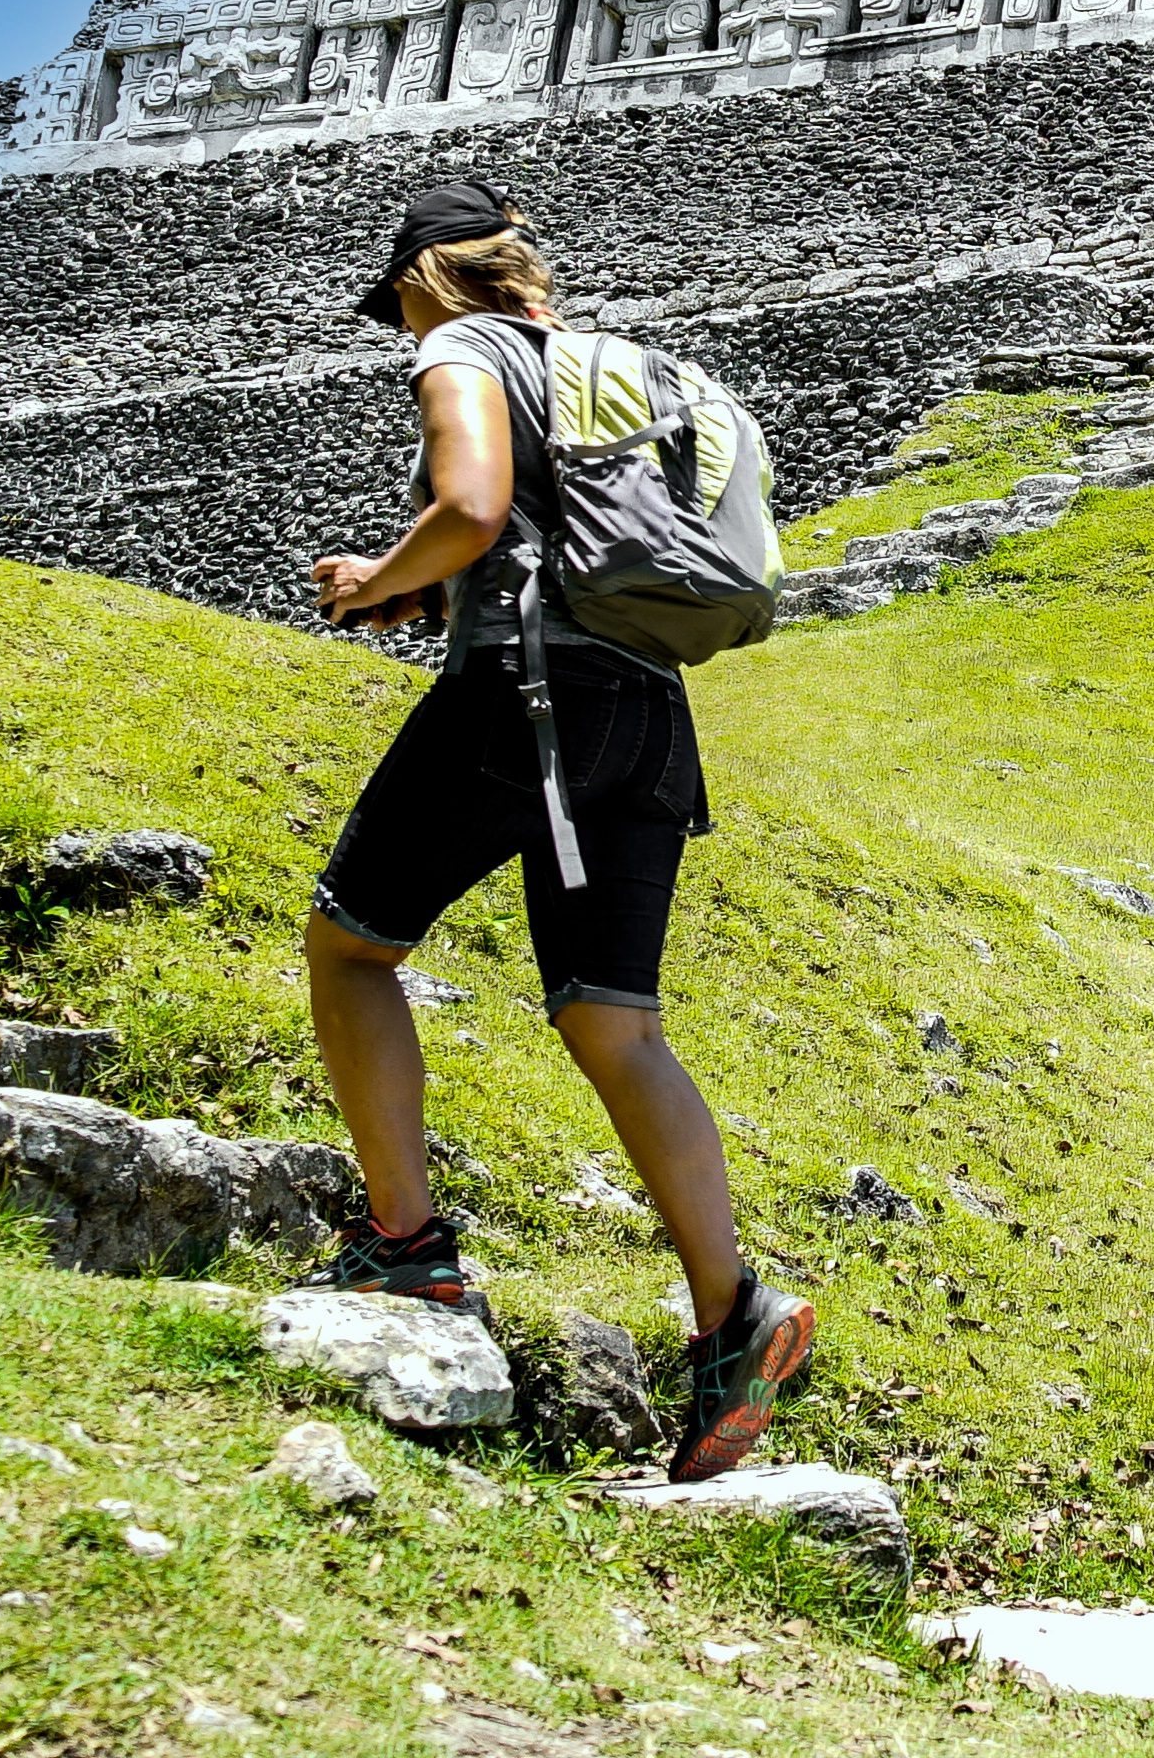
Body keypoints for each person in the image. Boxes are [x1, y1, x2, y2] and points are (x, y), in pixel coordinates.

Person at [296, 176, 812, 1483]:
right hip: (648, 714)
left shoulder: (463, 349)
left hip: (525, 705)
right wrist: (436, 593)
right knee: (613, 1023)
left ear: (424, 278)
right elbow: (555, 535)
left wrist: (376, 578)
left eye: (397, 308)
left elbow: (472, 510)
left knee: (350, 948)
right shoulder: (613, 372)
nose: (399, 332)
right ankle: (733, 1313)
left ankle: (408, 1252)